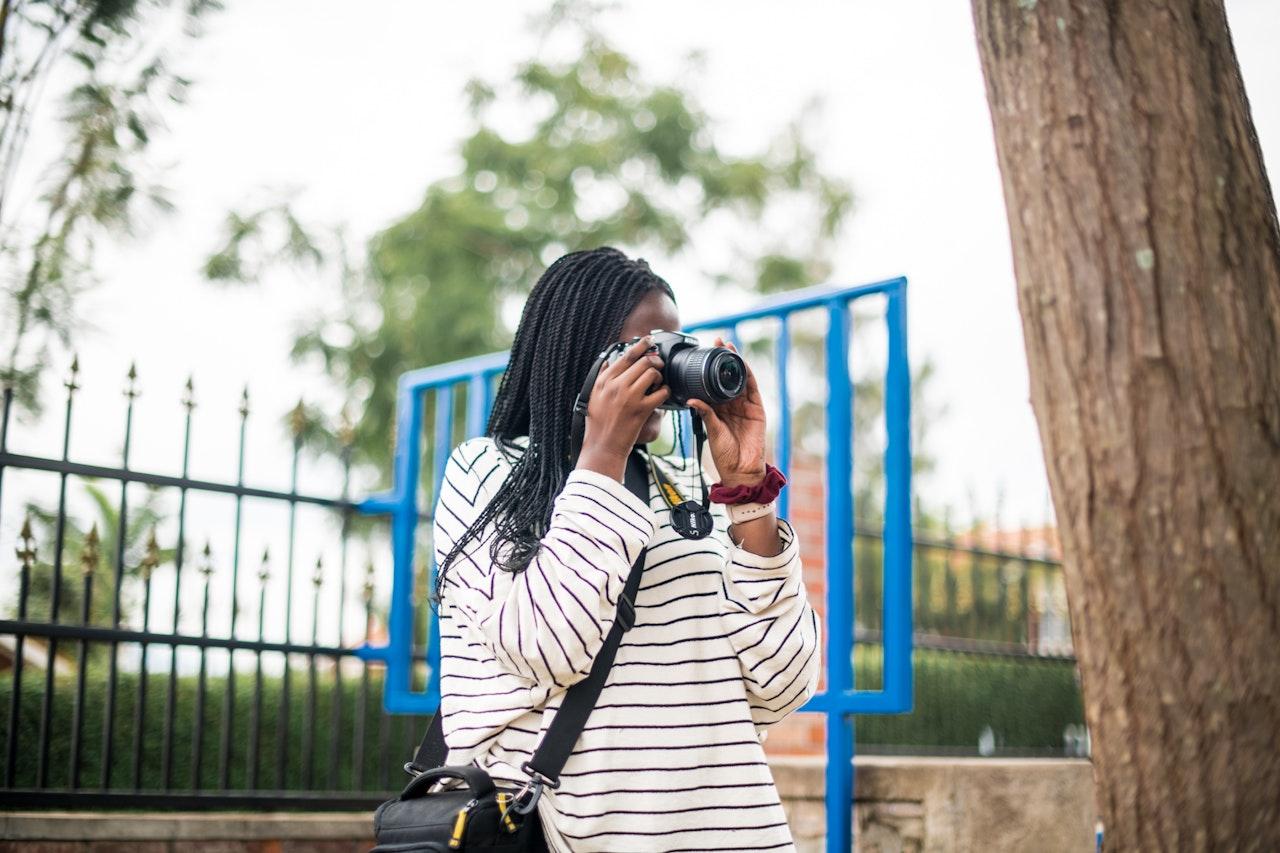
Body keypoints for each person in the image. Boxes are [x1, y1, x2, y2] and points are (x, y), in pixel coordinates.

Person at [429, 246, 821, 852]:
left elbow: (782, 685)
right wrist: (602, 455)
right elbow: (547, 648)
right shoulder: (489, 472)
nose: (663, 374)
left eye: (672, 346)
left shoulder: (685, 493)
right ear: (577, 360)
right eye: (644, 352)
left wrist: (748, 497)